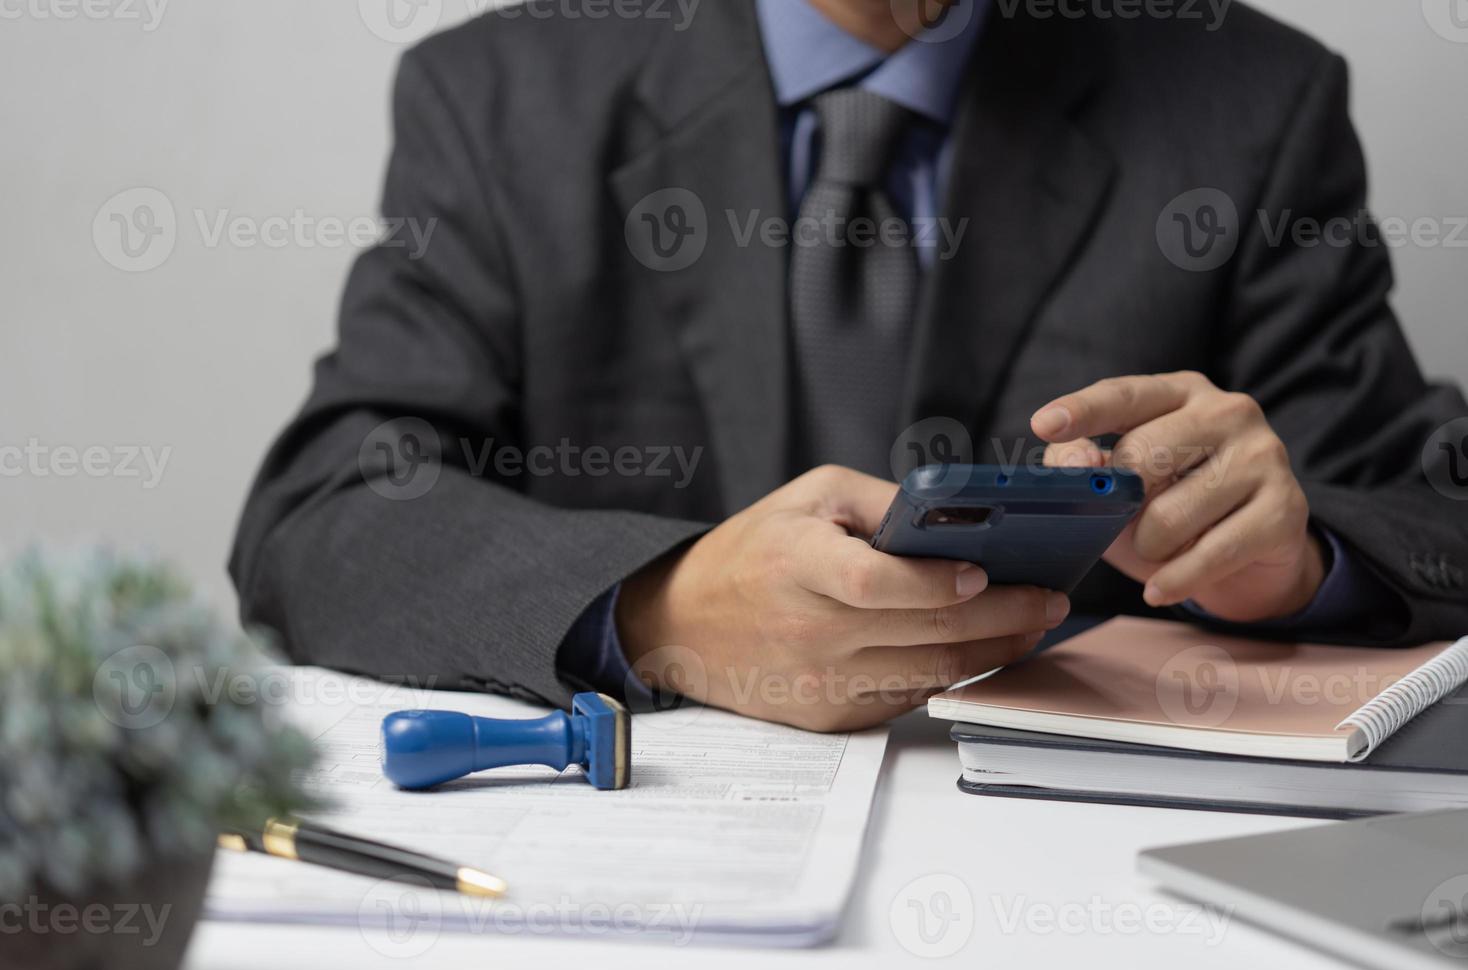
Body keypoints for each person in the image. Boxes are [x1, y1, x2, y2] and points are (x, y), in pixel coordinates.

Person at [230, 0, 1468, 732]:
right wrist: (660, 609)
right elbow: (327, 511)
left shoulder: (1249, 102)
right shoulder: (501, 98)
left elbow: (1430, 511)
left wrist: (1298, 564)